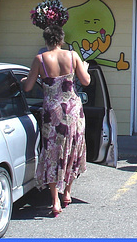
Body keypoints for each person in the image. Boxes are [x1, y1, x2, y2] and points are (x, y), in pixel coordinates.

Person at [22, 25, 90, 217]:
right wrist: (84, 68)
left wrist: (23, 81)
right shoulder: (72, 56)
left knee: (52, 152)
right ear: (61, 39)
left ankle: (55, 201)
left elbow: (28, 87)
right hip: (73, 111)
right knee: (72, 150)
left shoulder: (40, 59)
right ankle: (67, 192)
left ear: (46, 40)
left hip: (52, 113)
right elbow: (86, 82)